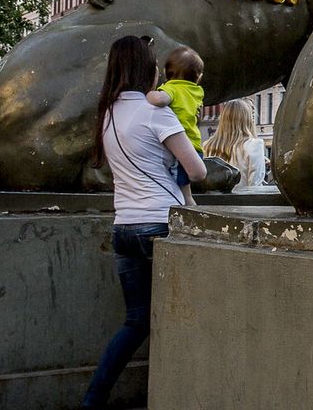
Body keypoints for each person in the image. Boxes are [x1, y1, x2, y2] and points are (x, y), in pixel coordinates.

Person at [83, 34, 207, 410]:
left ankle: (93, 399)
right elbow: (197, 171)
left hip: (124, 227)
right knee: (187, 317)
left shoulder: (107, 113)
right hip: (160, 223)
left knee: (135, 323)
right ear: (145, 70)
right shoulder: (156, 112)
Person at [145, 46, 204, 200]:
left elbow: (160, 100)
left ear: (165, 73)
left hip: (179, 146)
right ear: (199, 77)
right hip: (194, 144)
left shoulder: (172, 88)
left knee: (176, 185)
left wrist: (148, 94)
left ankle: (184, 207)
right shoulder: (197, 91)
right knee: (185, 186)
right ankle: (189, 203)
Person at [203, 99, 266, 188]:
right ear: (246, 119)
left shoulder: (207, 145)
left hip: (214, 200)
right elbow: (255, 183)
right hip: (242, 200)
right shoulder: (254, 145)